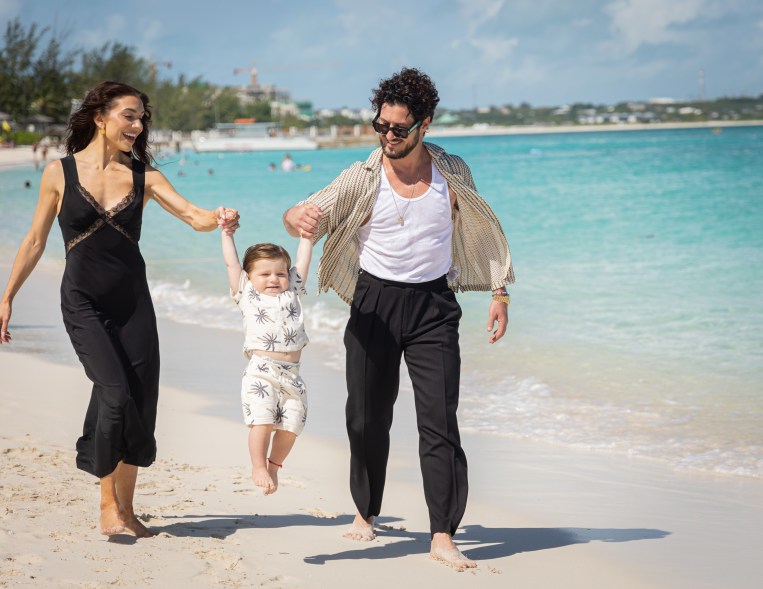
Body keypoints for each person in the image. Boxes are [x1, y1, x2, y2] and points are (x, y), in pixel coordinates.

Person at [282, 67, 513, 570]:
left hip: (433, 307)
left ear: (424, 124)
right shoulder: (363, 176)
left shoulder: (452, 173)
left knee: (439, 422)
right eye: (380, 125)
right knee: (366, 418)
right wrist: (296, 217)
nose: (387, 136)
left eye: (398, 128)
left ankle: (442, 533)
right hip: (373, 305)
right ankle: (366, 512)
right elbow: (307, 209)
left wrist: (499, 292)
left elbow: (480, 227)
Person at [0, 81, 240, 538]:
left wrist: (221, 217)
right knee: (114, 392)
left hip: (133, 305)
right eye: (130, 115)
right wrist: (7, 297)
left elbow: (194, 217)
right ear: (100, 117)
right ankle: (108, 505)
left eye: (142, 117)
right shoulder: (59, 173)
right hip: (83, 302)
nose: (138, 124)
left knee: (141, 402)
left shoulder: (143, 177)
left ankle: (128, 509)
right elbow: (34, 241)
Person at [221, 227, 313, 495]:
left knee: (292, 425)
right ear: (249, 277)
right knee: (261, 420)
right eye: (265, 274)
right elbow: (231, 262)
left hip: (293, 374)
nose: (274, 279)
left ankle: (274, 465)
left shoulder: (292, 291)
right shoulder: (246, 294)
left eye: (280, 273)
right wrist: (227, 233)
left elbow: (303, 262)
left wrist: (307, 237)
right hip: (261, 371)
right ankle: (258, 466)